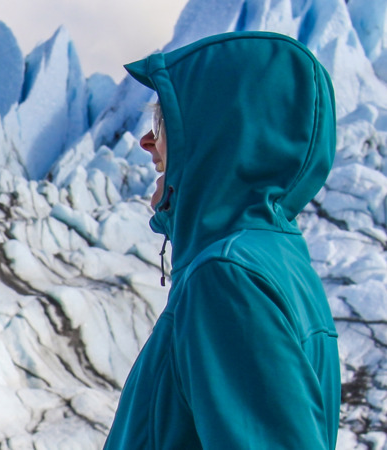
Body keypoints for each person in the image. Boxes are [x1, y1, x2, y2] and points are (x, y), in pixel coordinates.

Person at [103, 31, 341, 449]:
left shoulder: (227, 277)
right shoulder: (275, 259)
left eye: (164, 121)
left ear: (219, 130)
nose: (146, 142)